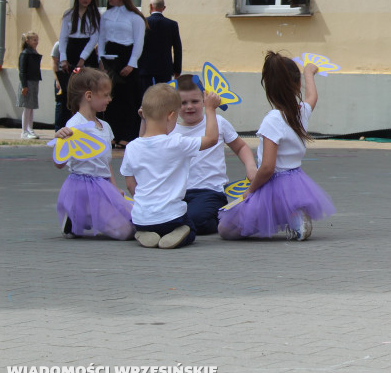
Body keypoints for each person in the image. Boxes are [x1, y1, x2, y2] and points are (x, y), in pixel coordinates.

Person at [217, 52, 335, 241]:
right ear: (297, 86)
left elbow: (268, 167)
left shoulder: (272, 120)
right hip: (295, 182)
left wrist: (251, 189)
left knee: (225, 229)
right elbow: (313, 96)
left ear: (268, 88)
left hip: (272, 184)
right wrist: (309, 72)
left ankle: (291, 215)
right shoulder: (301, 112)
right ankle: (291, 213)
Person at [121, 84, 221, 249]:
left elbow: (131, 185)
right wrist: (210, 109)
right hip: (171, 218)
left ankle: (143, 233)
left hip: (141, 218)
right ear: (171, 116)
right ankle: (181, 232)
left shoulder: (132, 147)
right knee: (190, 228)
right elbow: (211, 139)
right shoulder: (177, 143)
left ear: (143, 114)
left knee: (147, 221)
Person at [170, 75, 257, 235]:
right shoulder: (170, 129)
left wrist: (251, 167)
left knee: (195, 219)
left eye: (194, 101)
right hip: (177, 192)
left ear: (205, 99)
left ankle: (224, 217)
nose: (189, 106)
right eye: (183, 103)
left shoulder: (217, 121)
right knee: (166, 218)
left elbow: (240, 147)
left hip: (209, 191)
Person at [53, 67, 133, 239]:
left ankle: (83, 217)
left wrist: (114, 187)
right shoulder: (74, 126)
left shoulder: (105, 126)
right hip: (83, 186)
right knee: (125, 232)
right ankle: (77, 216)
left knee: (134, 219)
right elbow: (59, 163)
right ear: (89, 96)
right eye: (105, 95)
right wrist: (61, 141)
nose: (109, 99)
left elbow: (106, 162)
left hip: (103, 185)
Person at [98, 0, 146, 147]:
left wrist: (131, 64)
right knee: (110, 99)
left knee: (128, 99)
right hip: (110, 57)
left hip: (127, 56)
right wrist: (101, 59)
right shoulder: (106, 16)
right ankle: (112, 135)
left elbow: (139, 42)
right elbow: (101, 38)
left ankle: (127, 135)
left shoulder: (134, 17)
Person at [57, 0, 101, 103]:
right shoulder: (69, 14)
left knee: (88, 86)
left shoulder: (95, 15)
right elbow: (63, 38)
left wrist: (82, 59)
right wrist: (63, 59)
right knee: (70, 88)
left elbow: (94, 38)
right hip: (71, 51)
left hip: (87, 52)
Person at [137, 0, 183, 98]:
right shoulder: (172, 24)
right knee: (164, 97)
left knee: (145, 97)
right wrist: (177, 69)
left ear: (150, 6)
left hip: (145, 67)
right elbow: (177, 48)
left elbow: (137, 45)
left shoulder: (143, 22)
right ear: (164, 8)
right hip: (165, 67)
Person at [17, 32, 42, 140]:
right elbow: (22, 71)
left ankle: (30, 129)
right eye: (34, 40)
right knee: (27, 107)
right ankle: (24, 131)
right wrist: (24, 85)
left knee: (31, 107)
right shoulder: (25, 53)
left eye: (37, 39)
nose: (36, 42)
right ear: (27, 41)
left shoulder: (33, 52)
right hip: (27, 83)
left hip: (34, 81)